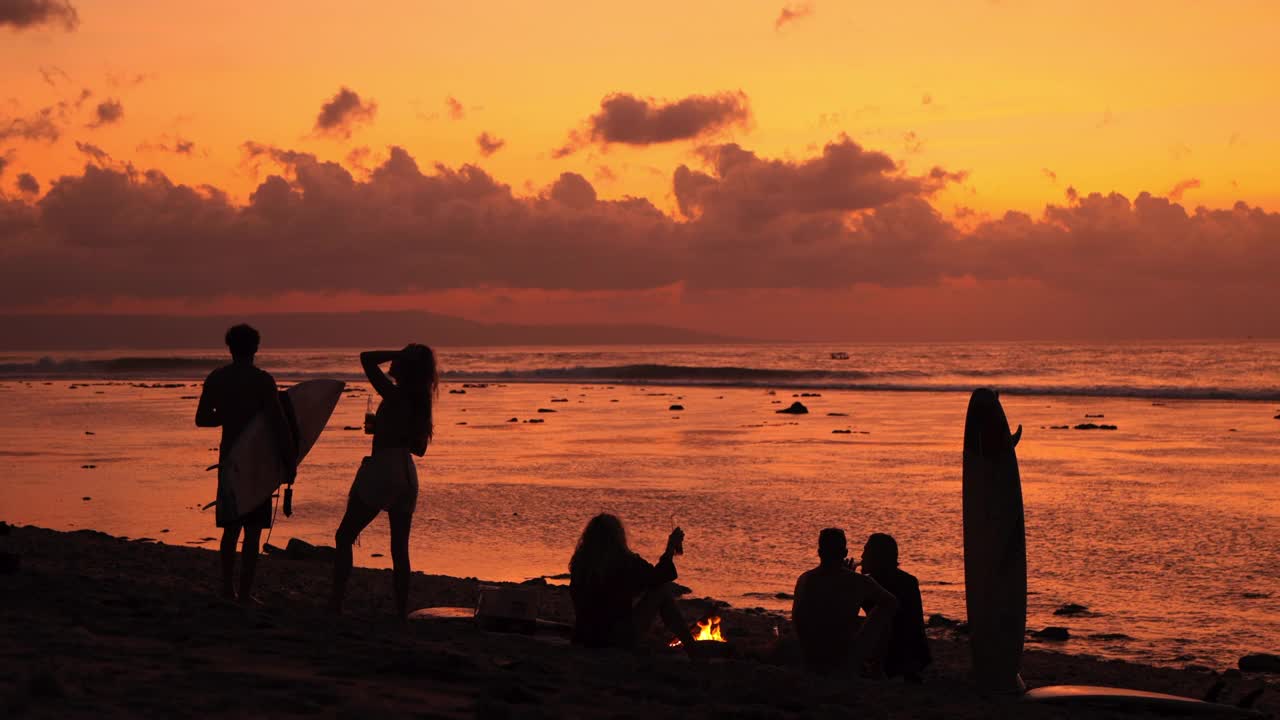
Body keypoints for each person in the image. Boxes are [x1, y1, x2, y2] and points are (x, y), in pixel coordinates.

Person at [330, 345, 437, 618]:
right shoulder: (419, 401)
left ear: (405, 365)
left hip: (384, 468)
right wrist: (386, 428)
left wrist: (397, 351)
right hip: (407, 474)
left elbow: (365, 358)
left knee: (344, 536)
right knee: (399, 550)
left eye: (402, 359)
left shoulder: (395, 394)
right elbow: (419, 448)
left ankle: (335, 604)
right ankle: (401, 612)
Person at [195, 324, 296, 604]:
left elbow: (202, 418)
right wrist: (289, 460)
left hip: (229, 459)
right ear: (255, 348)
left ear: (230, 348)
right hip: (257, 461)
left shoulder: (217, 378)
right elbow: (279, 423)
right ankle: (246, 593)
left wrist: (227, 415)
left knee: (231, 528)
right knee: (253, 531)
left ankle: (227, 588)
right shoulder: (263, 381)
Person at [569, 513, 698, 654]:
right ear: (618, 537)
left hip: (585, 636)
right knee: (661, 590)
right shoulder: (624, 561)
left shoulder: (580, 561)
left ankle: (690, 646)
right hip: (615, 638)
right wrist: (670, 549)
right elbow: (659, 576)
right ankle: (692, 647)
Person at [791, 528, 899, 675]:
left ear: (820, 552)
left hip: (809, 658)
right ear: (844, 553)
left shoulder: (804, 579)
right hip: (843, 660)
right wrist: (867, 625)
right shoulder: (859, 581)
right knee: (884, 610)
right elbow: (892, 603)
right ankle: (877, 664)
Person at [860, 533, 932, 682]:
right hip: (914, 656)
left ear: (876, 557)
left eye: (865, 551)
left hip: (888, 656)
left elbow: (847, 613)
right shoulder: (909, 581)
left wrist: (849, 581)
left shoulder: (870, 585)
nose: (861, 556)